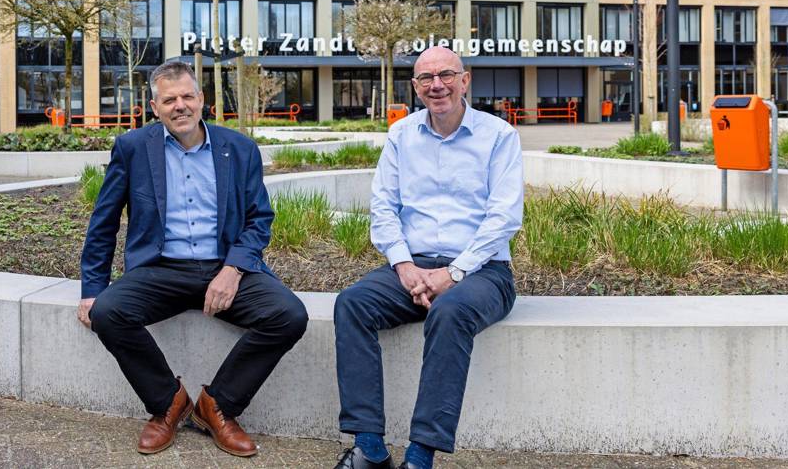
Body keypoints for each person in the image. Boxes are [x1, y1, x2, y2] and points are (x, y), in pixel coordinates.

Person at [77, 60, 308, 458]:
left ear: (202, 100)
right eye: (169, 100)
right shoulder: (132, 149)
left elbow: (259, 220)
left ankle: (217, 406)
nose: (179, 106)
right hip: (160, 269)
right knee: (108, 312)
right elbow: (104, 221)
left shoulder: (239, 149)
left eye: (187, 96)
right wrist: (93, 288)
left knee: (289, 315)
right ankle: (168, 403)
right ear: (154, 106)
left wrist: (234, 269)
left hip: (225, 266)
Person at [332, 46, 523, 469]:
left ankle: (420, 456)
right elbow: (383, 207)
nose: (437, 85)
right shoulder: (402, 135)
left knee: (450, 313)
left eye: (446, 75)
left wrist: (452, 274)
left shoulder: (499, 136)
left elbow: (504, 217)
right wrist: (404, 267)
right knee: (352, 304)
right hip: (413, 266)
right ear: (416, 87)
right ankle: (370, 448)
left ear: (465, 80)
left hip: (483, 271)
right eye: (425, 78)